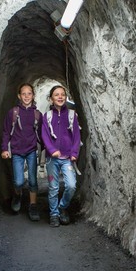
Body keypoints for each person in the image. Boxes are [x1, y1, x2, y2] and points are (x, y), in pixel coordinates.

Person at [0, 83, 42, 221]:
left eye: (29, 93)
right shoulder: (13, 112)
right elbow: (6, 132)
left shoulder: (37, 115)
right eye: (23, 94)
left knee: (33, 179)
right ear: (19, 95)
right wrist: (5, 148)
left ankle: (33, 205)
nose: (26, 96)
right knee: (18, 181)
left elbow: (42, 134)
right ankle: (17, 195)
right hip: (17, 151)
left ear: (33, 95)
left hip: (31, 151)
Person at [41, 85, 81, 227]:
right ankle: (54, 214)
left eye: (62, 94)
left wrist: (74, 152)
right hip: (52, 159)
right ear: (51, 99)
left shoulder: (71, 115)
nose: (60, 97)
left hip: (67, 159)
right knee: (53, 187)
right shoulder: (47, 116)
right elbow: (44, 135)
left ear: (65, 97)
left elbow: (76, 136)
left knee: (71, 185)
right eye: (56, 95)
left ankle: (62, 207)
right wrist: (51, 150)